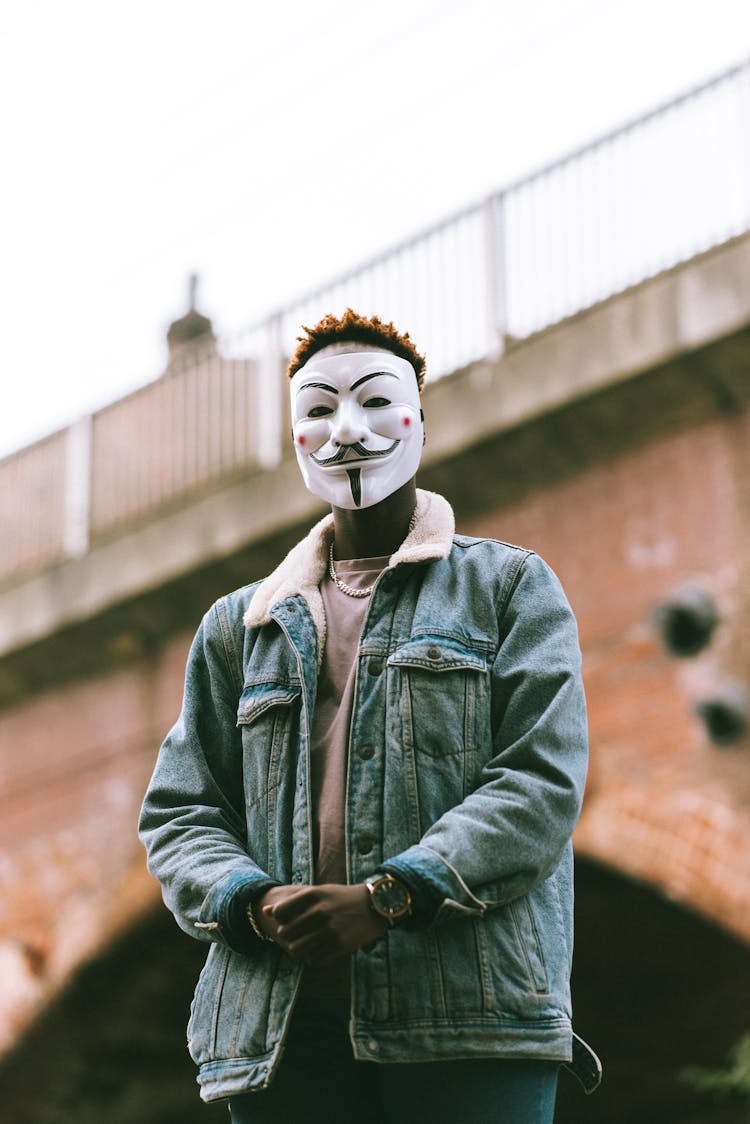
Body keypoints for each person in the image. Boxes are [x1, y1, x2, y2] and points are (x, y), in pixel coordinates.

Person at [139, 309, 601, 1122]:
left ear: (419, 414)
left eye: (374, 401)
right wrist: (248, 899)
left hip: (472, 1021)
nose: (347, 431)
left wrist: (390, 896)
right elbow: (181, 812)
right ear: (295, 438)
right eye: (317, 410)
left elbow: (540, 782)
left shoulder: (509, 588)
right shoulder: (236, 628)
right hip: (280, 1040)